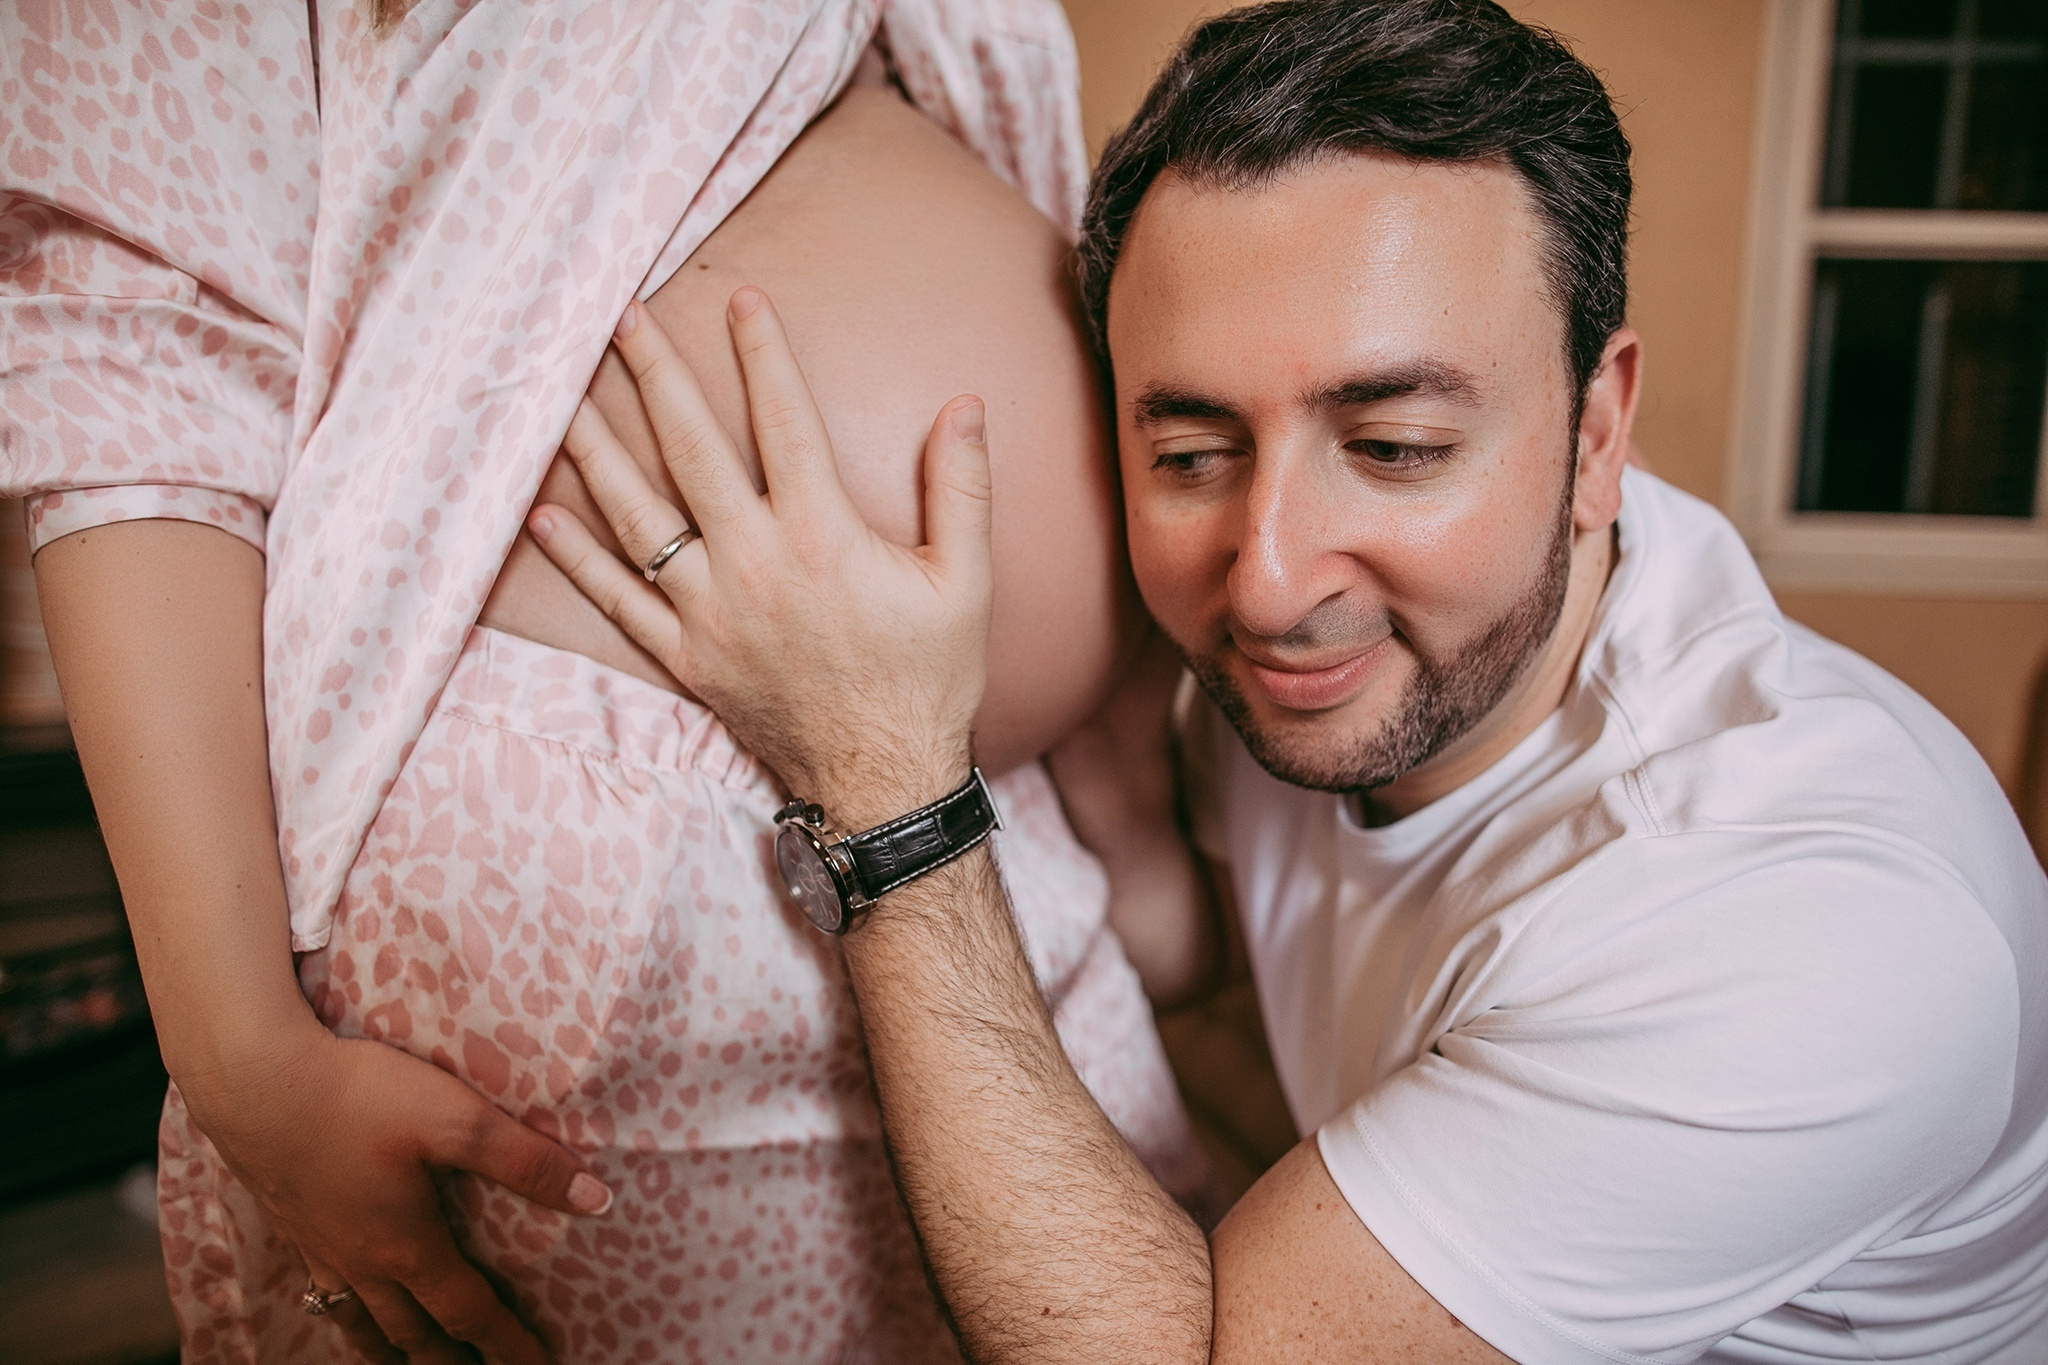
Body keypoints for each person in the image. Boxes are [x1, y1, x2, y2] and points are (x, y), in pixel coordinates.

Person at [536, 0, 2048, 1361]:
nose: (1265, 580)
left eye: (1392, 449)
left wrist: (884, 770)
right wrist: (1129, 810)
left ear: (1598, 433)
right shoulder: (1392, 672)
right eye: (1190, 454)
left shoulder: (1816, 936)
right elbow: (1258, 1037)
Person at [0, 2, 1208, 1361]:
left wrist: (1120, 777)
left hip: (995, 844)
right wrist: (240, 1048)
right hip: (628, 882)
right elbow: (138, 371)